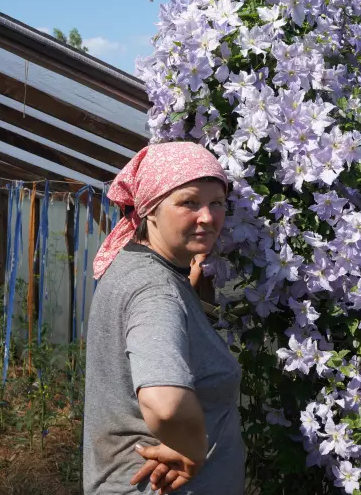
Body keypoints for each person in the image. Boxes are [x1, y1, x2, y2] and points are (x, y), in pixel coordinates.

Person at [83, 142, 244, 494]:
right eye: (189, 202)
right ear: (150, 210)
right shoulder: (156, 292)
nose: (208, 216)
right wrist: (193, 449)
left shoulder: (136, 264)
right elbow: (165, 405)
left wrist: (192, 273)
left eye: (217, 202)